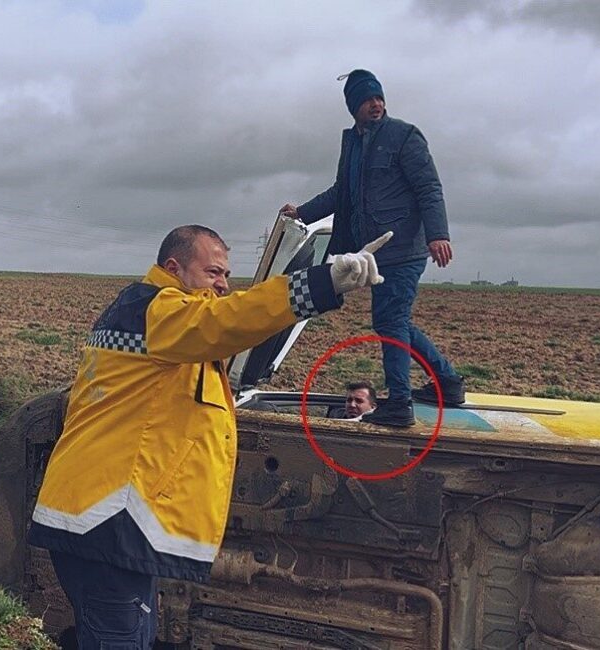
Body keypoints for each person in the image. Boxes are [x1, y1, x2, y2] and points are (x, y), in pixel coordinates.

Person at [27, 224, 392, 648]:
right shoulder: (162, 310)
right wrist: (321, 282)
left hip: (106, 521)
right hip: (109, 520)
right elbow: (226, 321)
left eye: (226, 276)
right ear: (173, 268)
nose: (223, 285)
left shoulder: (151, 317)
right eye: (213, 273)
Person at [280, 69, 466, 427]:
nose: (376, 104)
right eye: (367, 100)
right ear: (354, 106)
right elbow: (341, 193)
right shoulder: (352, 144)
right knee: (395, 321)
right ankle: (447, 383)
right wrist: (302, 212)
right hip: (375, 252)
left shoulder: (404, 136)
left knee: (390, 320)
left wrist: (438, 235)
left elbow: (429, 188)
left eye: (379, 97)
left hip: (404, 247)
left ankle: (399, 403)